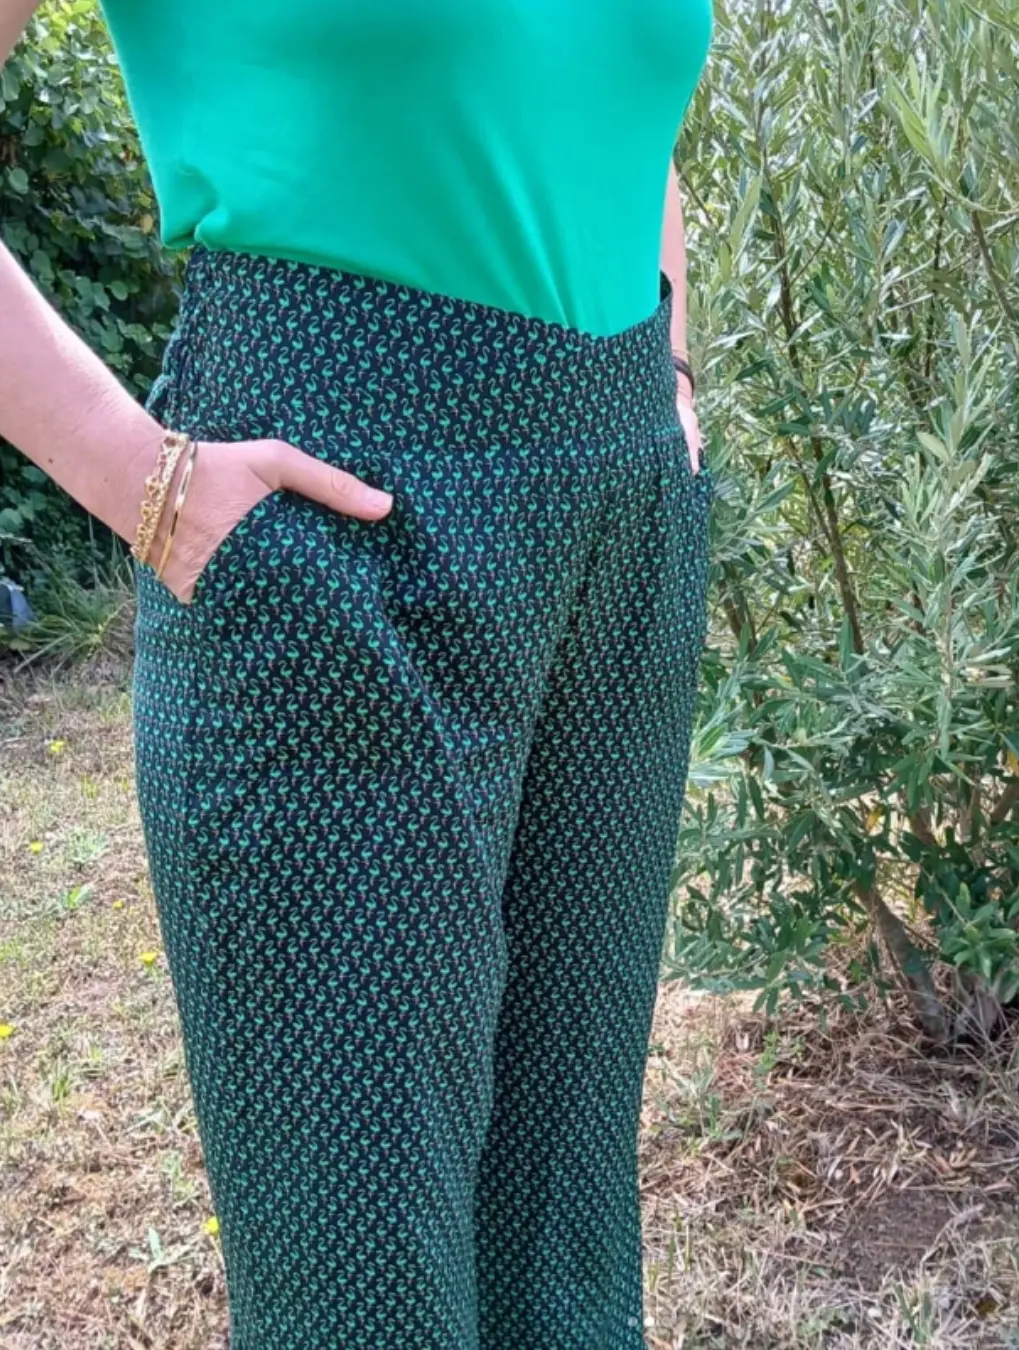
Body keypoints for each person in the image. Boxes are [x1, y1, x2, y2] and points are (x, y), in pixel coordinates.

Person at [0, 1, 715, 1346]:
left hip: (621, 526)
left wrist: (669, 358)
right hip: (334, 537)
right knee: (360, 1264)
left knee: (563, 1229)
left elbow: (622, 104)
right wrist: (137, 474)